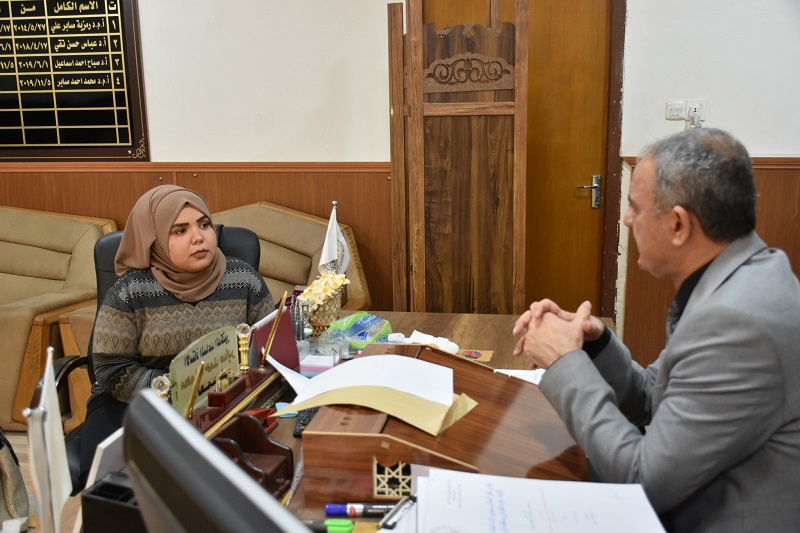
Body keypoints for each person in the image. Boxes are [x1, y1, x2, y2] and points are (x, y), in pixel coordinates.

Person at [513, 128, 800, 532]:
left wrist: (564, 361)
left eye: (634, 207)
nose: (626, 218)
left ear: (679, 224)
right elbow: (654, 395)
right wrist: (594, 343)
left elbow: (641, 480)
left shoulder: (738, 321)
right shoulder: (739, 279)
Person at [78, 184, 275, 487]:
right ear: (153, 239)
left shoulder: (243, 278)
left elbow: (266, 346)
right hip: (134, 403)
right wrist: (176, 394)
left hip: (223, 400)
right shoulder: (130, 291)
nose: (199, 237)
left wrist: (221, 395)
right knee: (114, 486)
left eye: (204, 224)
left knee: (239, 475)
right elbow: (111, 368)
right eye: (180, 231)